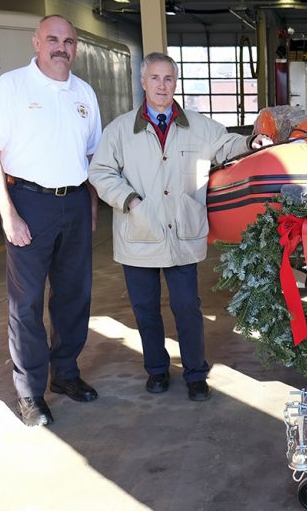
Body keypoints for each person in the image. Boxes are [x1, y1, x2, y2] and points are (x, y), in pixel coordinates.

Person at [89, 53, 272, 401]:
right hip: (139, 233)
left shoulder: (199, 126)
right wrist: (129, 200)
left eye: (168, 78)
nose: (162, 85)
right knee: (145, 310)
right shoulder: (120, 129)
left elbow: (226, 144)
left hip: (182, 233)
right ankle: (156, 370)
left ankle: (195, 373)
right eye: (154, 78)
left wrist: (251, 143)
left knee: (187, 307)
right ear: (143, 83)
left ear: (176, 82)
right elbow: (99, 172)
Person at [0, 15, 102, 427]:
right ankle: (30, 392)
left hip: (76, 205)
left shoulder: (84, 93)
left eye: (68, 41)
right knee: (26, 302)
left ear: (76, 47)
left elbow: (91, 157)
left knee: (74, 297)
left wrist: (93, 204)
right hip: (29, 202)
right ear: (36, 42)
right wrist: (8, 213)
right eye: (53, 39)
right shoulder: (11, 87)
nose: (61, 47)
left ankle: (64, 374)